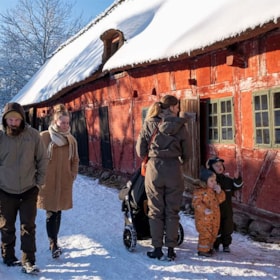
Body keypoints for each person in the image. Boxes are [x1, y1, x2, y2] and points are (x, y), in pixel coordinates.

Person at [136, 95, 188, 261]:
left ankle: (157, 249)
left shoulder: (149, 123)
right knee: (172, 211)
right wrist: (178, 160)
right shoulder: (180, 126)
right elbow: (188, 153)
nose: (179, 109)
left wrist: (151, 156)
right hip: (174, 169)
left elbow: (140, 150)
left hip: (154, 169)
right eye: (177, 106)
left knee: (155, 211)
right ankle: (171, 250)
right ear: (171, 107)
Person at [0, 102, 48, 272]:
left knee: (28, 226)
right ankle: (8, 255)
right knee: (7, 226)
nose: (13, 123)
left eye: (16, 120)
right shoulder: (1, 137)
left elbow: (42, 159)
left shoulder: (33, 135)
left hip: (29, 189)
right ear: (5, 120)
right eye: (10, 120)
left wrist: (39, 183)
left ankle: (28, 259)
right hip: (5, 191)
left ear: (22, 119)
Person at [37, 104, 79, 259]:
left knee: (58, 210)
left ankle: (54, 241)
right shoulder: (44, 137)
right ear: (55, 122)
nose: (65, 125)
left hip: (64, 181)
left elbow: (75, 159)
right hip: (48, 181)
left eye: (67, 123)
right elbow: (35, 157)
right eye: (63, 123)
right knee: (50, 211)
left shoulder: (71, 140)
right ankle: (53, 243)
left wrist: (73, 173)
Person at [206, 156, 243, 253]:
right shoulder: (210, 180)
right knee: (216, 228)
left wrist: (237, 179)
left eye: (221, 165)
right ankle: (215, 244)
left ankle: (226, 245)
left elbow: (237, 186)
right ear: (211, 167)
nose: (219, 167)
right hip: (215, 210)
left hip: (227, 209)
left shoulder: (227, 180)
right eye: (216, 165)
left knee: (228, 227)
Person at [192, 168, 225, 257]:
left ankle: (208, 248)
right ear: (204, 181)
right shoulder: (199, 191)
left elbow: (220, 200)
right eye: (211, 181)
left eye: (215, 180)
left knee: (213, 234)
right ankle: (202, 250)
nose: (214, 183)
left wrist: (219, 192)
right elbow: (196, 203)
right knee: (205, 235)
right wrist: (204, 209)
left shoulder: (213, 191)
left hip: (214, 219)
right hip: (203, 219)